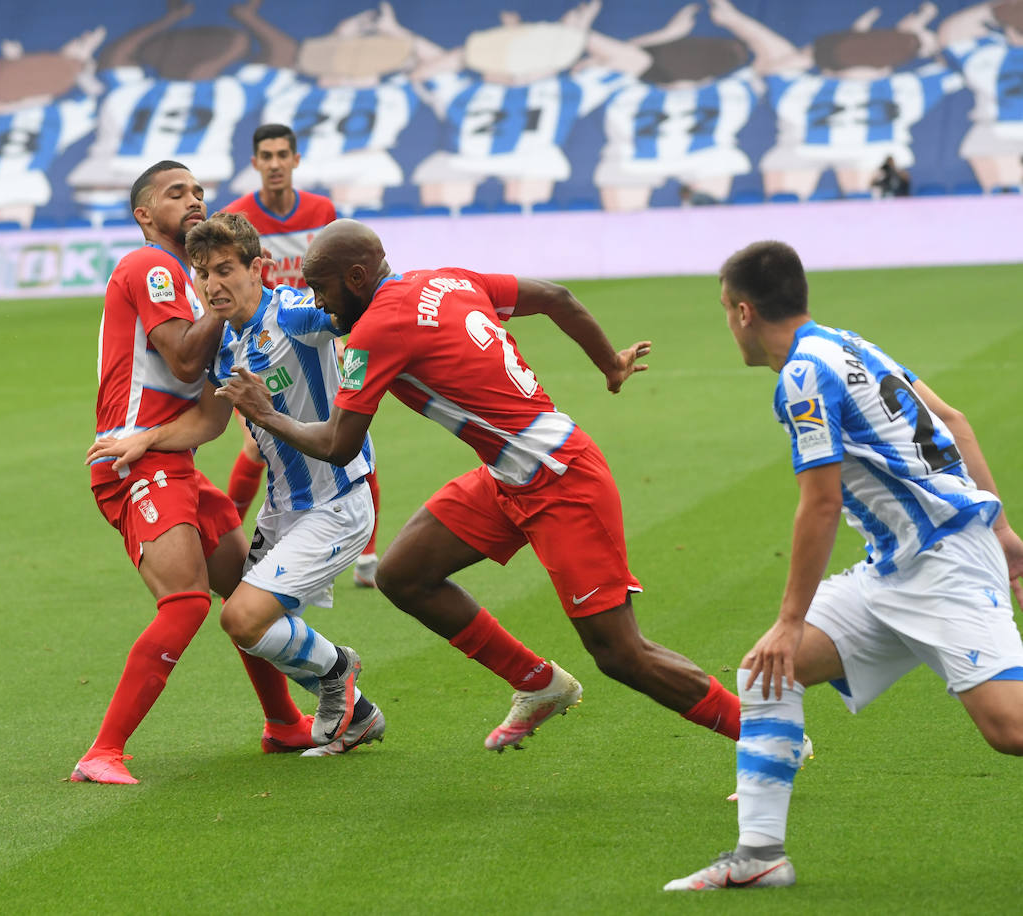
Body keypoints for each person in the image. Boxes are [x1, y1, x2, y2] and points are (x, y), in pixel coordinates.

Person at [217, 218, 744, 753]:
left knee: (620, 653)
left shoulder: (378, 328)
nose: (319, 302)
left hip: (559, 478)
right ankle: (537, 682)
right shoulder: (445, 279)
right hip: (509, 473)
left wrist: (267, 414)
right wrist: (609, 363)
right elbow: (557, 297)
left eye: (322, 288)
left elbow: (338, 444)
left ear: (356, 277)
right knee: (403, 574)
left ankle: (761, 737)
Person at [665, 241, 1023, 891]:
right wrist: (1001, 529)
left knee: (1010, 727)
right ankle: (759, 856)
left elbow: (821, 505)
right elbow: (952, 419)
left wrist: (788, 617)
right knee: (768, 673)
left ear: (744, 312)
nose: (727, 325)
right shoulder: (848, 343)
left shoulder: (802, 376)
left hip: (943, 560)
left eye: (724, 310)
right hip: (902, 565)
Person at [90, 210, 385, 756]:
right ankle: (358, 713)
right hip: (282, 510)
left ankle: (340, 670)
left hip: (338, 501)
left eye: (226, 269)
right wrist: (145, 440)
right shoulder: (222, 345)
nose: (212, 285)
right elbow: (208, 422)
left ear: (259, 268)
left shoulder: (295, 315)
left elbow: (365, 314)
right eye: (202, 273)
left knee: (242, 619)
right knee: (259, 630)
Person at [71, 160, 315, 785]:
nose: (195, 200)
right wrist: (220, 299)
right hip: (134, 465)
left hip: (172, 457)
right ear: (145, 215)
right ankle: (103, 752)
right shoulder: (149, 266)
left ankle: (284, 723)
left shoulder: (191, 283)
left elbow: (208, 416)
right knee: (183, 603)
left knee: (244, 597)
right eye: (176, 193)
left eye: (200, 191)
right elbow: (182, 362)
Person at [223, 123, 382, 588]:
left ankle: (367, 556)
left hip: (320, 331)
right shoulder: (238, 220)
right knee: (256, 445)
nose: (274, 164)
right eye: (265, 156)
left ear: (295, 161)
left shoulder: (321, 211)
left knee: (349, 436)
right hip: (264, 344)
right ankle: (230, 539)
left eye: (281, 155)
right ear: (255, 164)